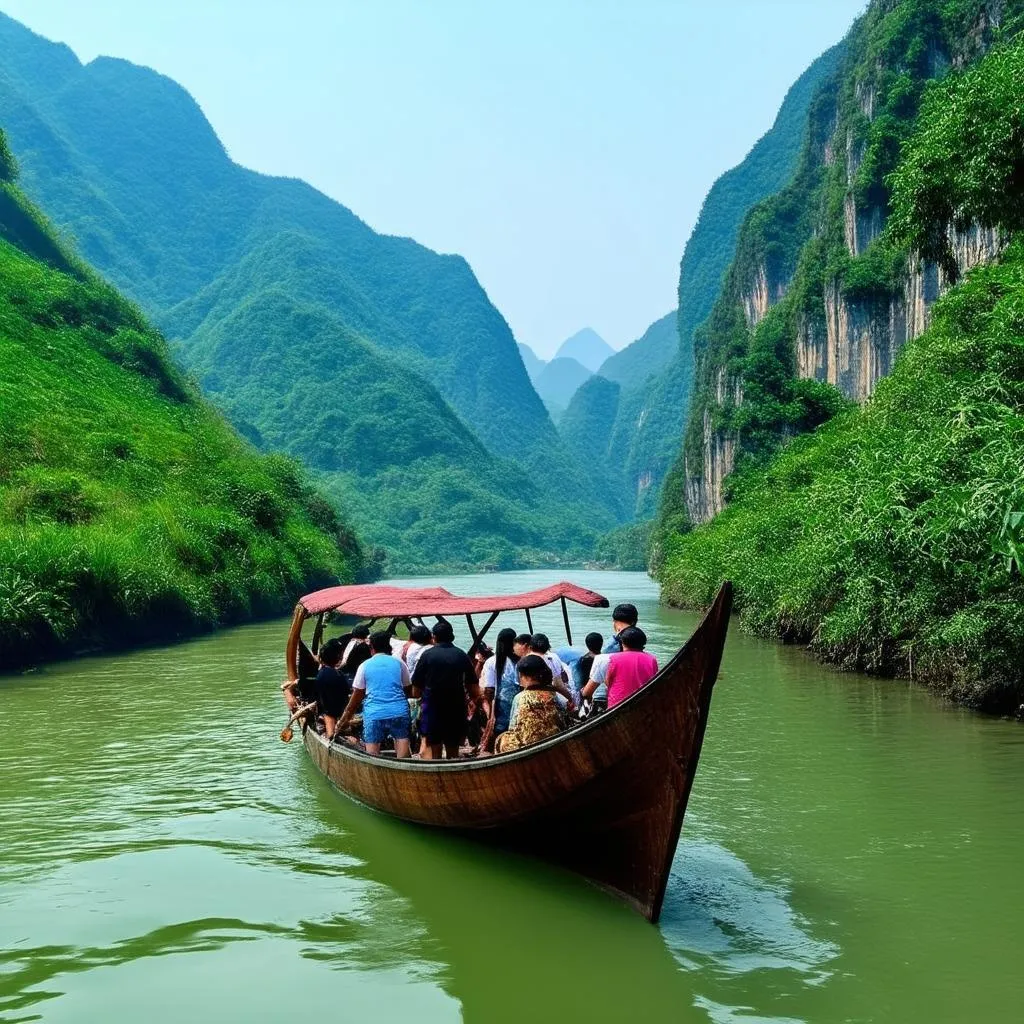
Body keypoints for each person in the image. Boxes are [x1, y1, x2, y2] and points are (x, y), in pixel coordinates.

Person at [335, 630, 413, 757]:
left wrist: (343, 720)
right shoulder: (399, 663)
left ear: (371, 647)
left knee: (372, 753)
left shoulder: (364, 666)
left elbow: (356, 698)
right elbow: (407, 689)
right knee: (402, 741)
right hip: (399, 711)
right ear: (389, 646)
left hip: (374, 713)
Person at [412, 620, 480, 759]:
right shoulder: (461, 655)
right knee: (453, 748)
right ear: (452, 636)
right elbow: (473, 687)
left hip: (433, 706)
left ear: (434, 636)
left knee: (435, 747)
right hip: (455, 705)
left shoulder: (427, 655)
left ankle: (437, 774)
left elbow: (416, 690)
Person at [495, 654, 567, 753]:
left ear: (525, 676)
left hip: (529, 746)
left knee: (502, 739)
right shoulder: (554, 694)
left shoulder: (520, 697)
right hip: (554, 740)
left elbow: (513, 727)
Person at [583, 626, 658, 709]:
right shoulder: (652, 659)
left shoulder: (612, 659)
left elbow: (606, 683)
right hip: (645, 705)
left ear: (622, 643)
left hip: (616, 706)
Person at [481, 628, 521, 741]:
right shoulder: (520, 660)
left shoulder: (492, 661)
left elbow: (489, 690)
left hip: (501, 705)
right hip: (519, 702)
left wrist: (489, 714)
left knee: (501, 735)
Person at [315, 637, 351, 741]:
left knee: (328, 713)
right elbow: (346, 691)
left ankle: (330, 734)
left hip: (330, 711)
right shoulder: (338, 674)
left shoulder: (322, 674)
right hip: (340, 710)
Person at [529, 633, 576, 708]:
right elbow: (558, 684)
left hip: (531, 696)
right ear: (548, 646)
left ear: (530, 647)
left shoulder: (525, 659)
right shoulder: (553, 657)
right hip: (550, 695)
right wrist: (570, 698)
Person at [572, 632, 604, 706]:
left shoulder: (583, 660)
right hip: (602, 690)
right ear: (601, 643)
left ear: (587, 645)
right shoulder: (605, 659)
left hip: (588, 690)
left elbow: (579, 678)